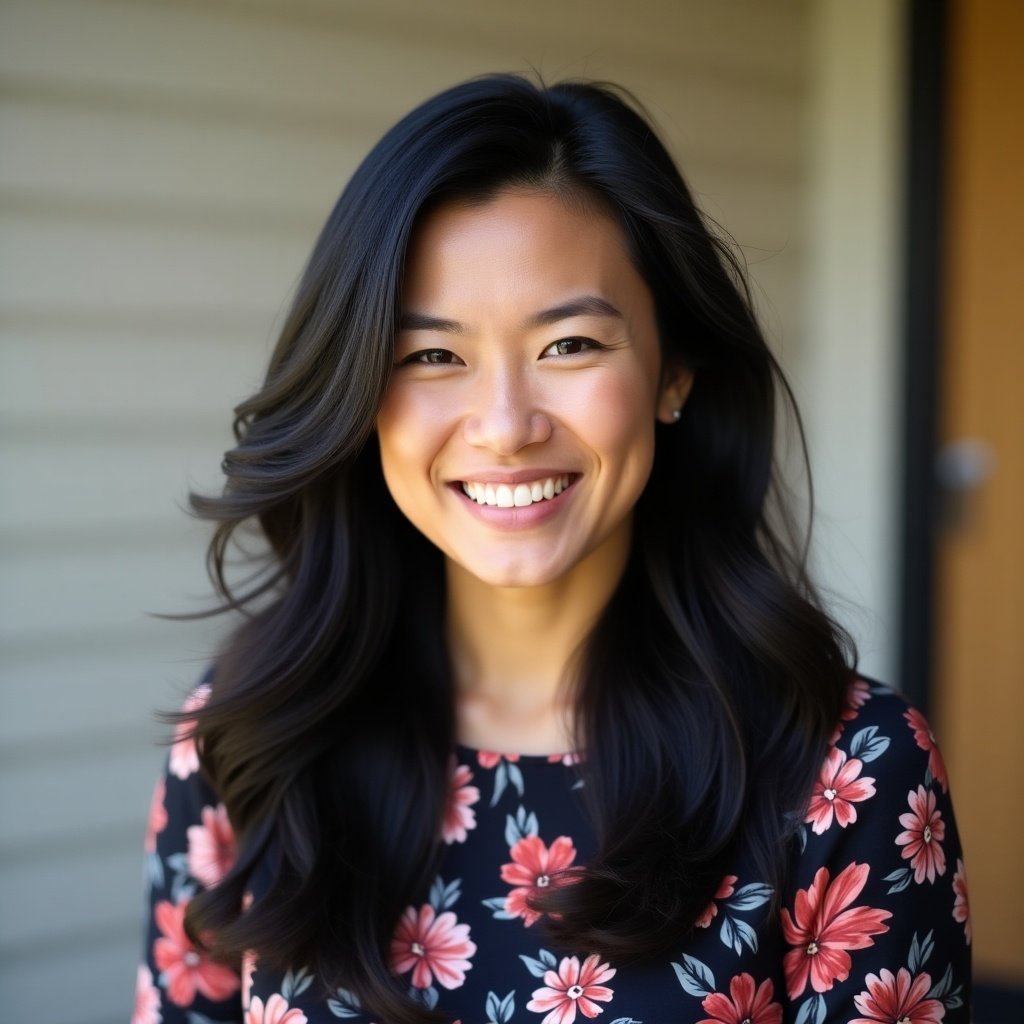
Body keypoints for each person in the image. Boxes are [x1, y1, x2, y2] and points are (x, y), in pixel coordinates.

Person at [135, 75, 971, 1024]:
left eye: (569, 345)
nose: (504, 427)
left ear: (674, 372)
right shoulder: (252, 736)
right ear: (361, 393)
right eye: (432, 356)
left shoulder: (848, 772)